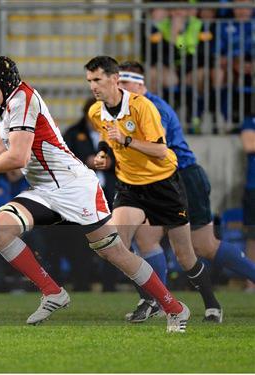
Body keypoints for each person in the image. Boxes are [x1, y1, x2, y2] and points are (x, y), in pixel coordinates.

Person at [0, 55, 190, 332]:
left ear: (5, 83)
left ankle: (175, 308)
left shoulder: (23, 101)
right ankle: (53, 292)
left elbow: (18, 158)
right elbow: (3, 143)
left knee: (115, 252)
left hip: (74, 187)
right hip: (45, 190)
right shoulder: (3, 104)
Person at [85, 56, 222, 323]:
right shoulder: (95, 111)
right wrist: (103, 154)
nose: (93, 86)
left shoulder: (143, 107)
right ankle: (153, 299)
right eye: (90, 80)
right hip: (130, 186)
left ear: (115, 79)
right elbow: (106, 139)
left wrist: (125, 139)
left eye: (98, 80)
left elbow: (161, 150)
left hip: (163, 184)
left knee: (185, 256)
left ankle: (212, 304)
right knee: (116, 245)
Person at [118, 60, 255, 322]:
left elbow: (156, 149)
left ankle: (212, 300)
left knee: (204, 246)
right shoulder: (128, 109)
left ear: (140, 82)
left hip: (183, 177)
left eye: (125, 82)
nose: (120, 88)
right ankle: (158, 301)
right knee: (146, 240)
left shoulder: (153, 108)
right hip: (154, 181)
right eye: (118, 83)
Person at [62, 97, 119, 292]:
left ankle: (110, 284)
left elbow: (126, 160)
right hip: (83, 196)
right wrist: (84, 163)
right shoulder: (73, 133)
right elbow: (63, 161)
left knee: (112, 239)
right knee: (81, 241)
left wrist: (109, 163)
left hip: (110, 194)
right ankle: (81, 283)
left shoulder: (114, 133)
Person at [241, 116, 255, 292]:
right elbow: (248, 145)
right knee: (253, 237)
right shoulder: (250, 121)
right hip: (253, 187)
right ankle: (251, 283)